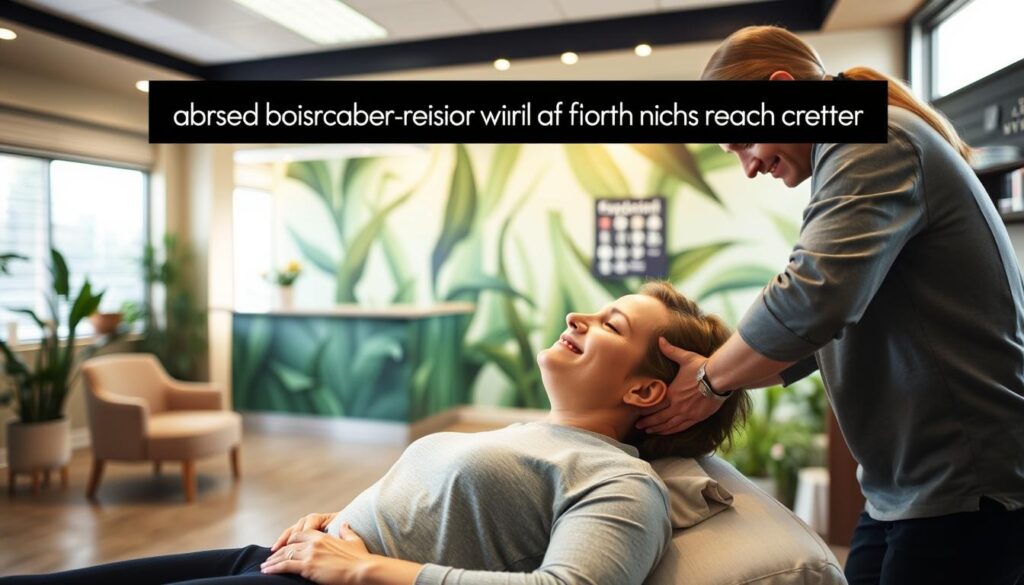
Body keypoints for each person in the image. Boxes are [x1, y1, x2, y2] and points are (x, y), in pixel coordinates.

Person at [2, 282, 748, 585]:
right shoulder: (526, 433)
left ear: (646, 388)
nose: (581, 316)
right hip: (277, 556)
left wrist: (360, 568)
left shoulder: (619, 480)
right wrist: (335, 522)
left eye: (612, 323)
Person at [636, 25, 1024, 585]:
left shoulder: (873, 136)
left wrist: (709, 384)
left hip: (964, 482)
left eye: (742, 142)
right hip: (907, 486)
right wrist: (715, 373)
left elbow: (813, 297)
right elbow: (819, 331)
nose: (748, 166)